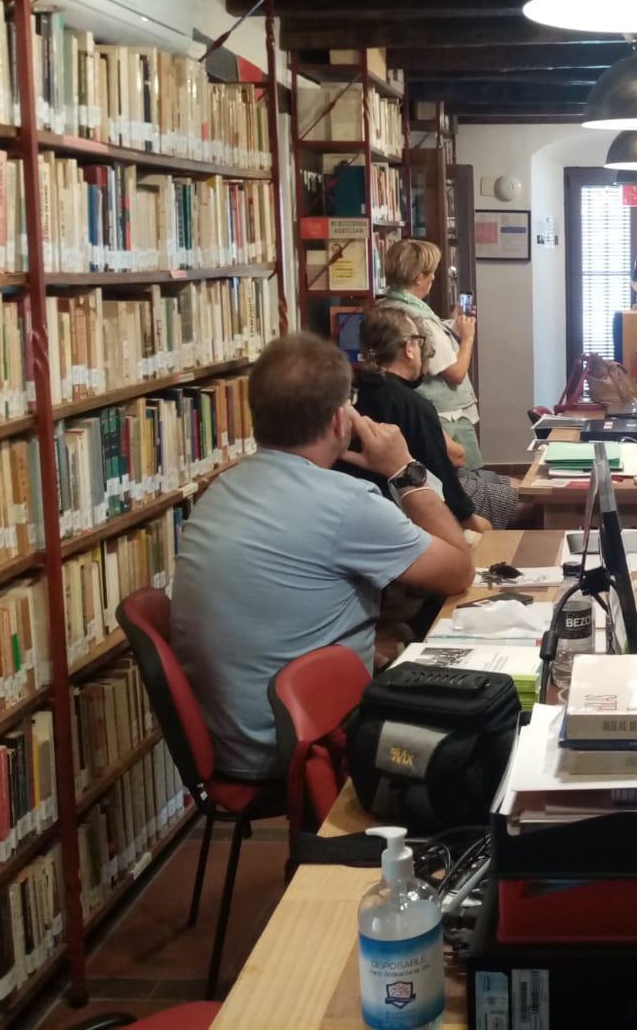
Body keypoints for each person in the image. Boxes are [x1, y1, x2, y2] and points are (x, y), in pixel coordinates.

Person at [169, 333, 475, 781]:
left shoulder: (222, 489)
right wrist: (402, 470)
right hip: (303, 746)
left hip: (234, 737)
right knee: (478, 717)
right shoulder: (345, 503)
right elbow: (459, 570)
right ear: (340, 420)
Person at [343, 304, 520, 531]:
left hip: (366, 513)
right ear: (409, 348)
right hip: (415, 516)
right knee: (521, 501)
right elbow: (447, 492)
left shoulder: (353, 394)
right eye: (419, 342)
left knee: (514, 488)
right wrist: (477, 528)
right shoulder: (413, 405)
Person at [382, 239, 485, 470]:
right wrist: (467, 338)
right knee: (472, 483)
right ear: (419, 277)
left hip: (419, 410)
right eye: (431, 273)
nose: (434, 278)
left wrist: (452, 326)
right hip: (446, 416)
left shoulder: (388, 307)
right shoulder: (419, 318)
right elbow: (455, 373)